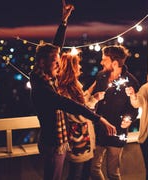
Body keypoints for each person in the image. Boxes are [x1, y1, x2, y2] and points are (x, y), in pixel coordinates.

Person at [29, 2, 116, 179]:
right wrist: (100, 119)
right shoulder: (43, 88)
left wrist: (63, 22)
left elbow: (56, 49)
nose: (58, 64)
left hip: (57, 142)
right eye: (55, 61)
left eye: (58, 60)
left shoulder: (44, 77)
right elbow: (69, 104)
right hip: (53, 144)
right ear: (42, 63)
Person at [90, 45, 140, 180]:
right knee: (93, 168)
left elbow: (135, 108)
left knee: (113, 173)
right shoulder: (100, 77)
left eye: (104, 60)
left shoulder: (131, 82)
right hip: (99, 130)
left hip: (117, 133)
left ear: (115, 63)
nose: (101, 63)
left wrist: (129, 119)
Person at [57, 50, 105, 180]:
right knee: (76, 175)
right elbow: (79, 115)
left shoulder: (75, 85)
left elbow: (81, 102)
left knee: (85, 174)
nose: (80, 67)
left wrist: (92, 90)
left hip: (85, 139)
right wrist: (94, 100)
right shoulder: (65, 89)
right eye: (77, 64)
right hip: (78, 140)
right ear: (71, 68)